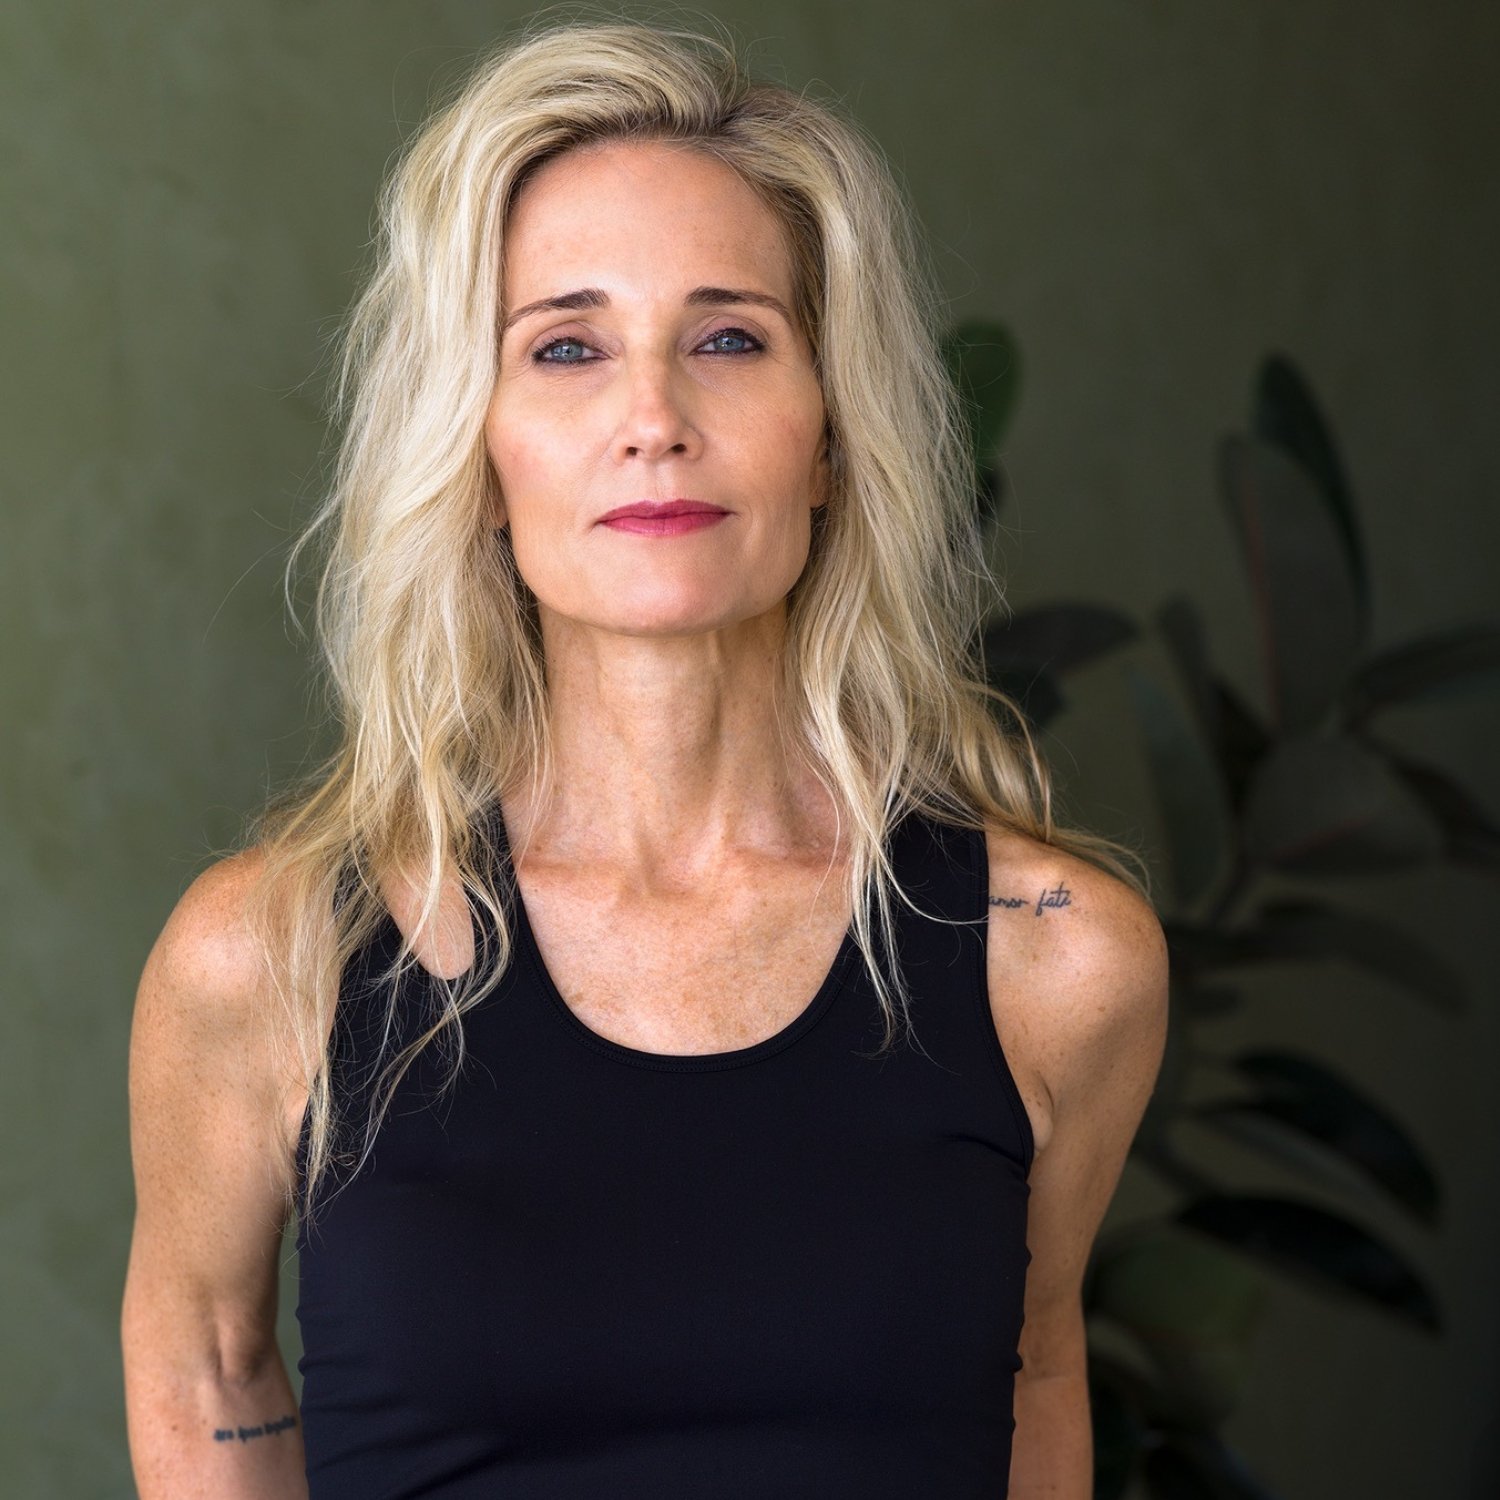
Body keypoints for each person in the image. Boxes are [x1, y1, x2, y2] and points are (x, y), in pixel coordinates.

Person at [121, 17, 1168, 1499]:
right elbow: (205, 1361)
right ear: (476, 452)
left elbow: (1038, 1373)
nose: (654, 422)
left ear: (828, 439)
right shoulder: (269, 957)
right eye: (566, 346)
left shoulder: (1055, 967)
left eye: (730, 338)